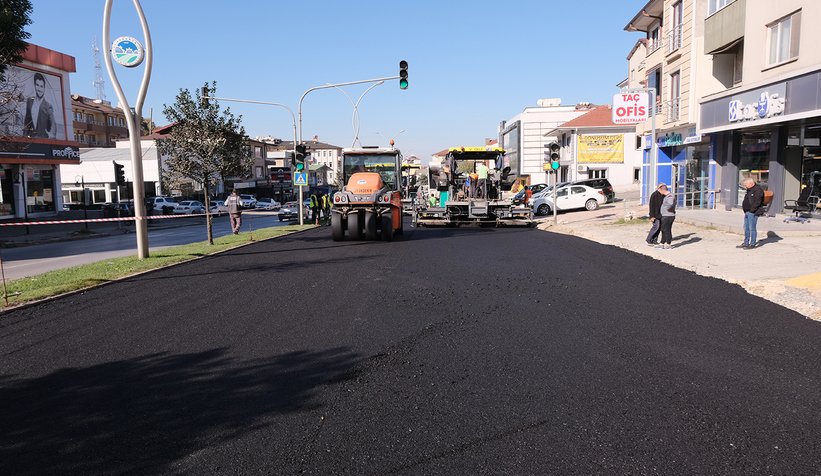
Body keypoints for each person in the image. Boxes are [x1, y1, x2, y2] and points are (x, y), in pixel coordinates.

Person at [23, 72, 56, 139]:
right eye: (37, 85)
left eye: (41, 86)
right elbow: (27, 120)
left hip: (43, 139)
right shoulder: (29, 101)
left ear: (44, 88)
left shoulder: (48, 105)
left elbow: (53, 123)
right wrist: (25, 135)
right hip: (30, 139)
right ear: (35, 85)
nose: (39, 89)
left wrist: (51, 135)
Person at [738, 177, 765, 249]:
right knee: (746, 228)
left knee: (752, 228)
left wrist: (752, 210)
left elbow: (757, 202)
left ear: (751, 183)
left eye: (746, 184)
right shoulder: (749, 190)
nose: (745, 186)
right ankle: (746, 242)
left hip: (753, 212)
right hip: (747, 212)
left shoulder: (758, 190)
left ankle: (752, 243)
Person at [657, 184, 675, 249]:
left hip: (668, 216)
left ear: (662, 190)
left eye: (659, 191)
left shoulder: (670, 196)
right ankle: (662, 243)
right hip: (665, 215)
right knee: (663, 229)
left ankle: (668, 243)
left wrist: (666, 208)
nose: (660, 193)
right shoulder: (666, 196)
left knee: (666, 230)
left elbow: (670, 204)